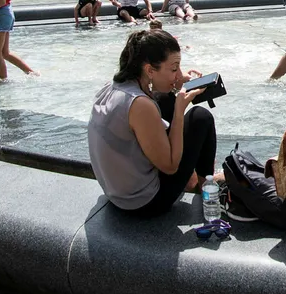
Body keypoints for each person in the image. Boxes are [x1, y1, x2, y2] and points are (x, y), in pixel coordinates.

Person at [88, 29, 217, 217]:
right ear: (149, 70)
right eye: (174, 69)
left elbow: (156, 95)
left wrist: (176, 82)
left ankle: (195, 180)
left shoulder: (114, 87)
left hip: (116, 194)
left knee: (165, 100)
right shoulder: (141, 105)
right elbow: (170, 166)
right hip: (145, 202)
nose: (177, 75)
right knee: (200, 117)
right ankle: (208, 189)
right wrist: (179, 111)